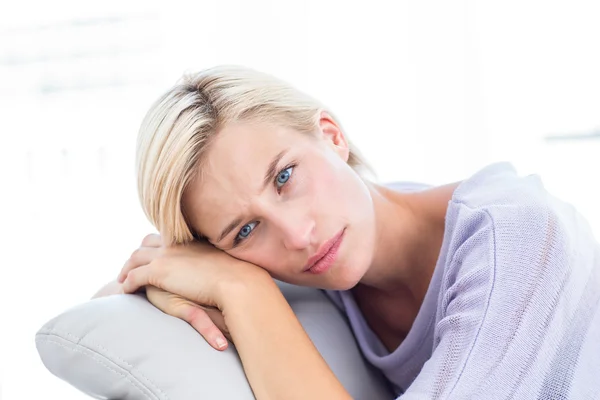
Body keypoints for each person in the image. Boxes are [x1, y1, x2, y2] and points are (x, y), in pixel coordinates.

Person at [98, 65, 600, 399]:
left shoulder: (518, 235)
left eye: (285, 177)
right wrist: (170, 285)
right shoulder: (319, 274)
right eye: (246, 230)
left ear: (332, 136)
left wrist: (240, 290)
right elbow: (102, 315)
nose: (296, 236)